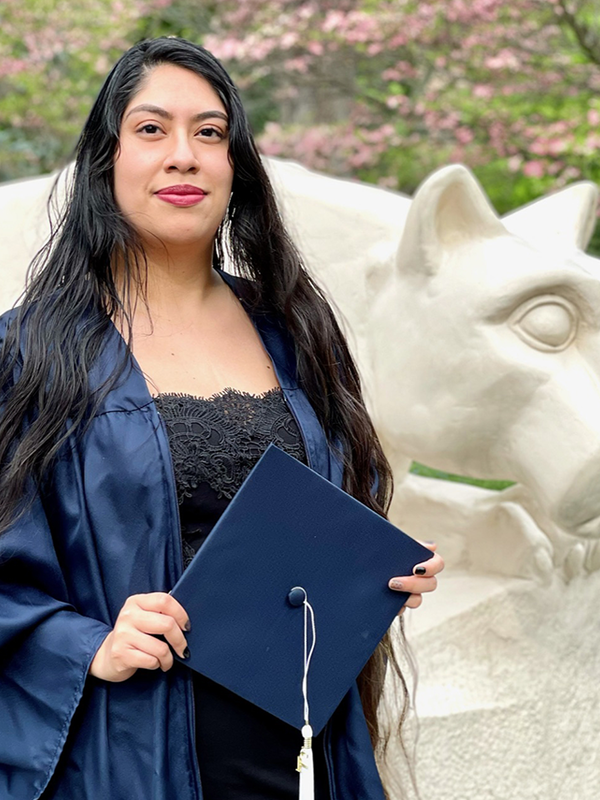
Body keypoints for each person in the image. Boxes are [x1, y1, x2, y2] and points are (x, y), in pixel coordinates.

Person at [0, 37, 444, 800]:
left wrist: (376, 568)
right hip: (127, 755)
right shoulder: (30, 351)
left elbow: (322, 517)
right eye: (151, 129)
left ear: (236, 166)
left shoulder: (292, 330)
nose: (184, 155)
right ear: (104, 161)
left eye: (209, 133)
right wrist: (87, 642)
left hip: (299, 749)